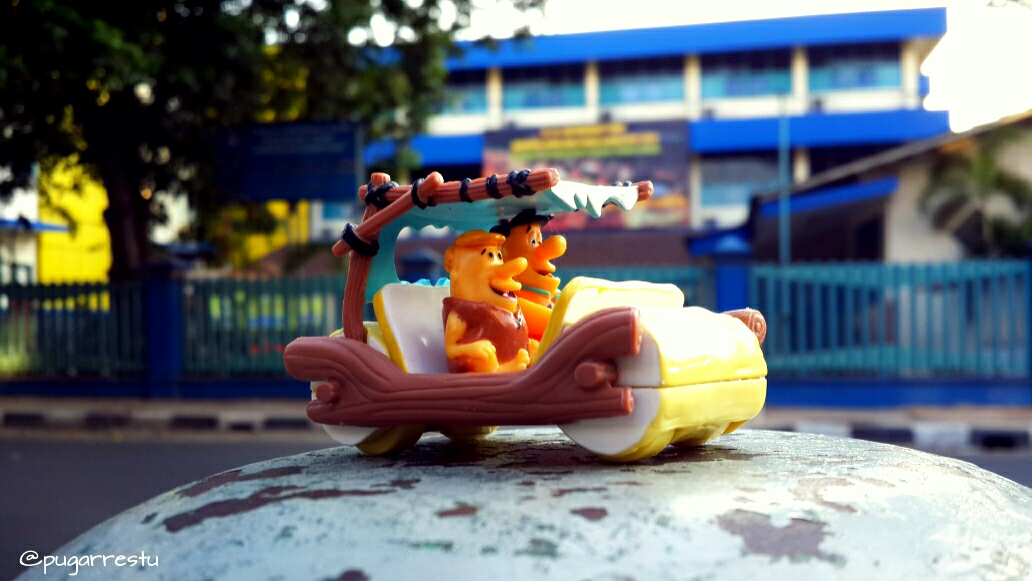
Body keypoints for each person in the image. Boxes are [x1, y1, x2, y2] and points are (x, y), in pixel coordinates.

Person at [442, 230, 531, 373]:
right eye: (489, 256)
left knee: (533, 345)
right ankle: (501, 370)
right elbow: (451, 349)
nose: (497, 263)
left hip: (513, 357)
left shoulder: (510, 310)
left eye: (498, 256)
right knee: (483, 356)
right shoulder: (461, 313)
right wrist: (472, 348)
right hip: (476, 368)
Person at [491, 210, 567, 344]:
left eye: (539, 241)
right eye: (533, 241)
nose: (549, 250)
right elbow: (553, 321)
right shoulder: (511, 300)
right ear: (504, 253)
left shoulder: (553, 296)